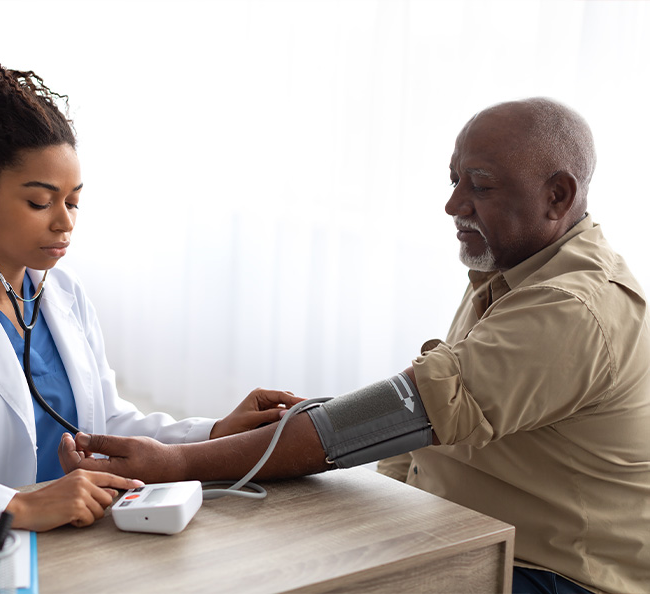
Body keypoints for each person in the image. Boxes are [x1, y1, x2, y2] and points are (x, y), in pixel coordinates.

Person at [59, 98, 650, 594]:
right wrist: (323, 436)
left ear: (557, 195)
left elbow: (404, 411)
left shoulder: (571, 307)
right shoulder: (514, 269)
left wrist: (181, 462)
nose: (453, 205)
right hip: (471, 530)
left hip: (551, 575)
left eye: (481, 185)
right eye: (453, 181)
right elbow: (423, 426)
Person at [0, 58, 300, 533]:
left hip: (86, 542)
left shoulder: (65, 294)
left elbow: (105, 422)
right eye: (40, 202)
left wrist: (214, 433)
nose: (65, 222)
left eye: (73, 202)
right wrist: (17, 507)